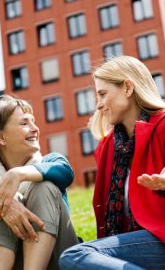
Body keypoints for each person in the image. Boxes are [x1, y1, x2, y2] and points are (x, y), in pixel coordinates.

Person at [59, 56, 165, 270]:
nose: (98, 104)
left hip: (161, 239)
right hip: (139, 246)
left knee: (75, 256)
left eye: (102, 94)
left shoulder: (162, 126)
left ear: (127, 87)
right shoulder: (108, 148)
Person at [0, 95, 78, 270]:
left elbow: (66, 173)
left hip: (60, 259)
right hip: (12, 262)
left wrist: (17, 174)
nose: (35, 128)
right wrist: (5, 204)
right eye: (25, 123)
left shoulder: (50, 161)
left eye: (33, 122)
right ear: (1, 137)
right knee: (1, 207)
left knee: (43, 186)